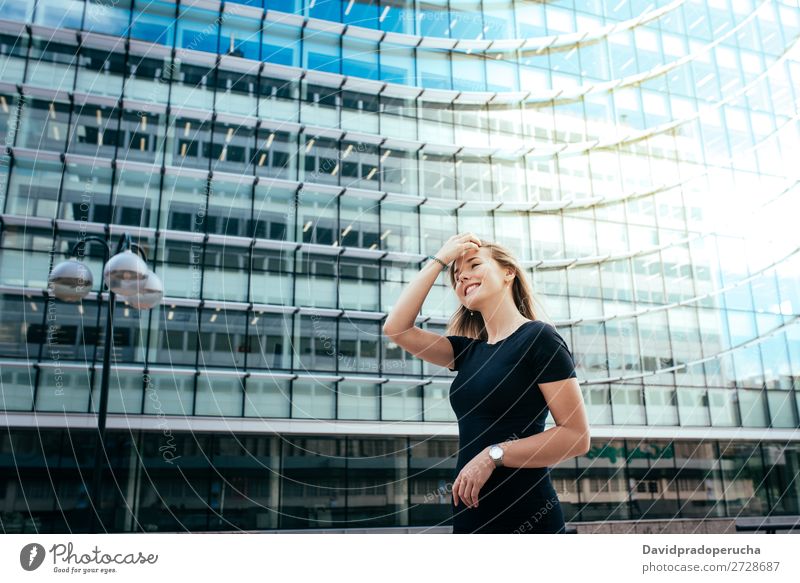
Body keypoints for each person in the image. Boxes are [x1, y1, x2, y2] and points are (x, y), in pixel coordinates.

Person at [383, 232, 590, 533]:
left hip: (525, 512)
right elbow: (396, 329)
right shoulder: (467, 352)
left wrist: (493, 456)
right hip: (471, 514)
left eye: (475, 265)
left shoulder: (539, 339)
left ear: (508, 273)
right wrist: (440, 260)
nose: (463, 277)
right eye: (456, 276)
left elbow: (576, 436)